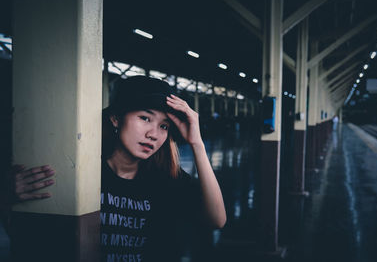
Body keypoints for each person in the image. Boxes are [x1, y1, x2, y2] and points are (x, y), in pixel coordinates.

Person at [9, 76, 226, 261]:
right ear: (115, 118)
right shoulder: (81, 172)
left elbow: (217, 220)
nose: (154, 134)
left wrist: (197, 144)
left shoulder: (165, 178)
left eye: (164, 126)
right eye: (145, 118)